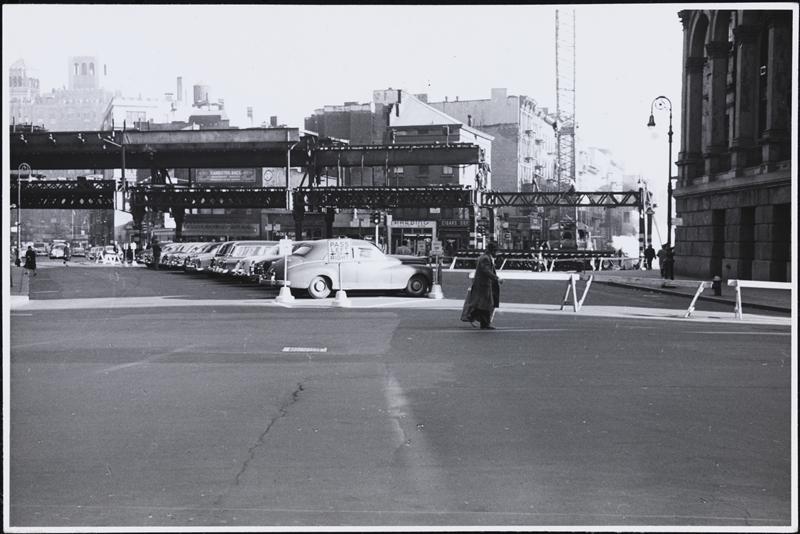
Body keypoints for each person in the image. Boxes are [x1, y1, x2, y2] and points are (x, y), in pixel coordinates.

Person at [462, 242, 502, 330]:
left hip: (483, 284)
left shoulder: (485, 257)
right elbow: (486, 271)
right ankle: (472, 316)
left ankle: (483, 323)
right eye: (496, 251)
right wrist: (497, 278)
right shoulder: (485, 258)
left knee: (484, 304)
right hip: (483, 285)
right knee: (486, 304)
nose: (497, 253)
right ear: (492, 250)